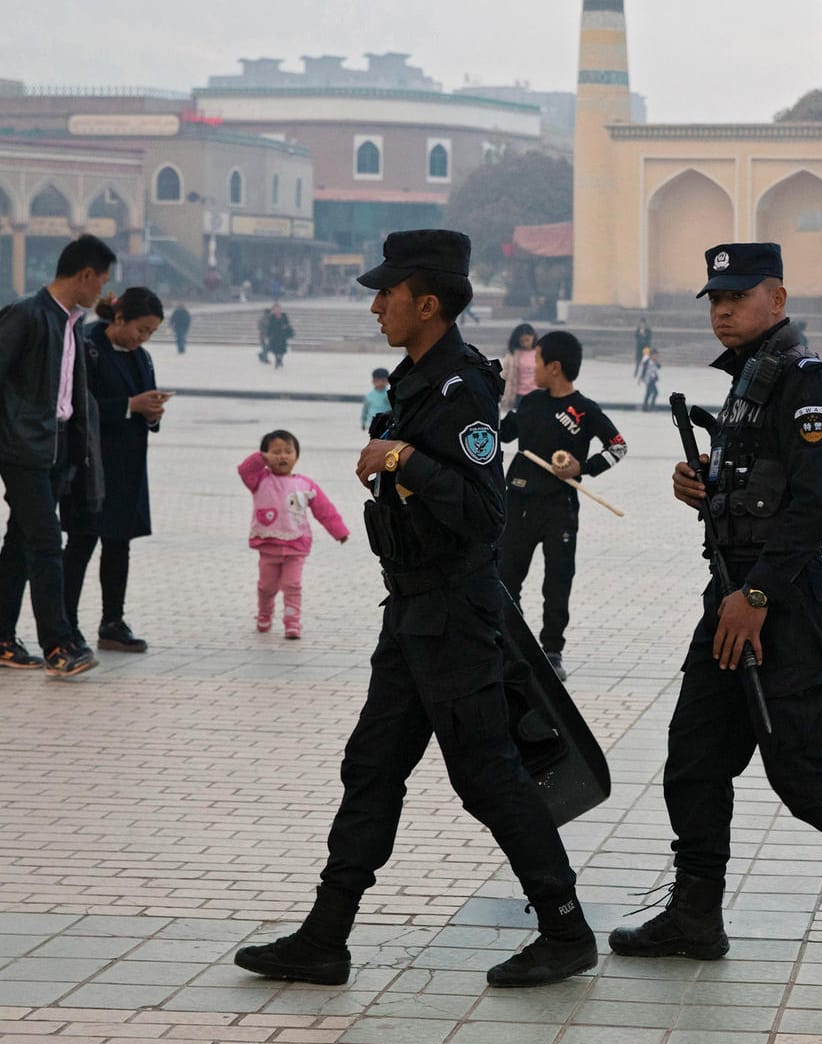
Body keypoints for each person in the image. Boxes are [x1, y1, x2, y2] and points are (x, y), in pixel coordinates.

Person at [234, 229, 596, 989]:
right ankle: (324, 936)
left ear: (426, 302)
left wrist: (403, 458)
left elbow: (482, 510)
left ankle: (564, 928)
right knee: (370, 767)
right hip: (412, 611)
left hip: (456, 614)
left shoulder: (459, 387)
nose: (374, 306)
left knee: (489, 776)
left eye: (386, 293)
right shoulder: (416, 380)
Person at [608, 242, 822, 974]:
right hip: (729, 597)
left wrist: (758, 594)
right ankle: (695, 912)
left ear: (779, 298)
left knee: (797, 767)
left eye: (737, 296)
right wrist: (703, 483)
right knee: (693, 758)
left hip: (779, 603)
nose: (722, 309)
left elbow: (812, 505)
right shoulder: (747, 384)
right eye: (714, 298)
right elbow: (759, 486)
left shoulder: (805, 383)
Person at [0, 234, 114, 678]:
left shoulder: (69, 321)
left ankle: (3, 636)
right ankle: (58, 645)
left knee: (21, 543)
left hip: (56, 447)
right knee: (48, 543)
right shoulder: (27, 315)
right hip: (23, 448)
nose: (102, 291)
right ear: (84, 275)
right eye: (101, 282)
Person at [497, 330, 627, 682]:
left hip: (559, 507)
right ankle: (513, 642)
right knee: (506, 577)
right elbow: (501, 433)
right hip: (518, 502)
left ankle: (552, 651)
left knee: (558, 582)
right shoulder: (530, 402)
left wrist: (581, 468)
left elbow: (618, 447)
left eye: (536, 360)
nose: (532, 366)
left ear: (554, 367)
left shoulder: (584, 411)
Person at [61, 288, 169, 653]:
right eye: (141, 329)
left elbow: (143, 404)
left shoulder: (143, 357)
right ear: (119, 318)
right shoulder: (87, 346)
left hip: (128, 466)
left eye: (151, 333)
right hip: (90, 464)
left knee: (118, 543)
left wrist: (152, 412)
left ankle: (112, 621)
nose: (144, 338)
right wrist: (128, 405)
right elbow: (77, 403)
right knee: (80, 543)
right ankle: (65, 624)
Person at [237, 430, 349, 639]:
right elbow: (244, 471)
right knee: (267, 585)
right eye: (276, 452)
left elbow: (324, 510)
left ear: (296, 456)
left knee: (292, 585)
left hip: (296, 545)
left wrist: (339, 531)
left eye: (288, 451)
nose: (282, 456)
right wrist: (260, 459)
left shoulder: (305, 485)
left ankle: (292, 622)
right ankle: (264, 614)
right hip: (268, 543)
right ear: (265, 456)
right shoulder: (259, 481)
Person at [499, 322, 540, 414]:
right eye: (522, 341)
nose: (525, 344)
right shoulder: (513, 355)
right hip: (520, 395)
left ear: (533, 337)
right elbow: (506, 374)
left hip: (538, 393)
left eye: (527, 340)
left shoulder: (540, 353)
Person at [264, 304, 294, 368]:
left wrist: (286, 327)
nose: (277, 310)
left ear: (280, 309)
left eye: (278, 309)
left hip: (282, 335)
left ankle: (280, 359)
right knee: (275, 349)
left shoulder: (284, 315)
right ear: (273, 310)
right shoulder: (272, 317)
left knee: (282, 349)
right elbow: (270, 326)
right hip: (275, 336)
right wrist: (268, 334)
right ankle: (277, 360)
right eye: (275, 309)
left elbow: (287, 323)